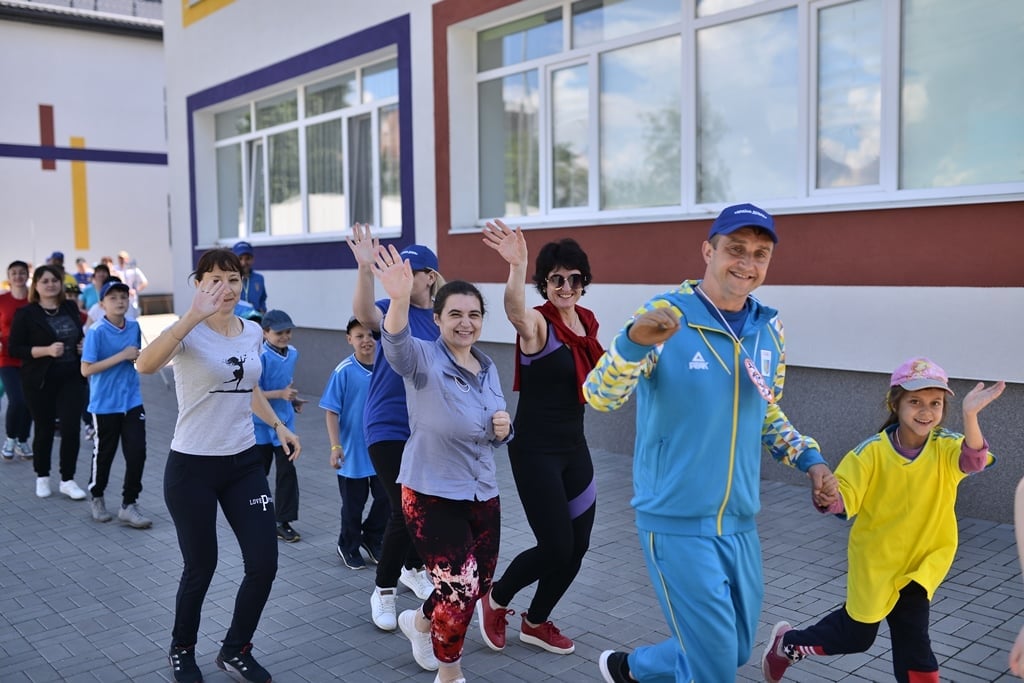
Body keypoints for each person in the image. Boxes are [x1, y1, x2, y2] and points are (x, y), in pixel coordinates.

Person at [583, 203, 837, 683]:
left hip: (739, 520)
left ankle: (630, 669)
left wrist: (809, 459)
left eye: (760, 254)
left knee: (734, 648)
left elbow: (767, 410)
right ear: (708, 251)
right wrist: (633, 343)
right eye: (735, 249)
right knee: (714, 665)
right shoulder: (665, 316)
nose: (747, 263)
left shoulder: (770, 329)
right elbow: (599, 396)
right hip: (676, 518)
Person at [762, 357, 1004, 683]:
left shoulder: (947, 446)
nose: (926, 411)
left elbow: (974, 460)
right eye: (915, 401)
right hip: (876, 564)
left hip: (922, 565)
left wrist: (970, 415)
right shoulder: (871, 453)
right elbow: (843, 497)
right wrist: (828, 496)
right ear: (895, 403)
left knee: (915, 643)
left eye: (935, 403)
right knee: (857, 637)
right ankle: (788, 644)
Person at [135, 248, 301, 683]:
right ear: (199, 284)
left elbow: (249, 387)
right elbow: (145, 365)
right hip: (192, 467)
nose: (225, 288)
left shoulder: (252, 331)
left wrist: (279, 425)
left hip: (243, 463)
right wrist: (191, 317)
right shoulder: (187, 331)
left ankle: (235, 649)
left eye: (232, 279)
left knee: (264, 564)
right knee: (201, 566)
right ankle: (182, 649)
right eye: (214, 279)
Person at [373, 245, 512, 683]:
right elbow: (395, 343)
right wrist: (398, 299)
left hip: (481, 490)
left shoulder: (488, 367)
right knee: (459, 587)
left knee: (478, 582)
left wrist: (504, 427)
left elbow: (493, 426)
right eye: (455, 314)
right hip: (430, 492)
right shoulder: (423, 358)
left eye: (473, 314)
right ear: (437, 319)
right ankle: (450, 674)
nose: (465, 322)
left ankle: (419, 622)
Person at [478, 221, 604, 655]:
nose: (566, 287)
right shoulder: (538, 325)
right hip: (535, 452)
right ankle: (496, 599)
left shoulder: (587, 325)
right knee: (556, 547)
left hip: (574, 448)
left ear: (584, 283)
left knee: (578, 546)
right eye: (556, 279)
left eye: (574, 279)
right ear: (545, 285)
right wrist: (517, 266)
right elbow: (515, 311)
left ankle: (535, 622)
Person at [346, 224, 441, 630]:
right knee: (405, 508)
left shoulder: (441, 318)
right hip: (387, 423)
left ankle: (413, 568)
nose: (401, 276)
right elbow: (364, 314)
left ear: (430, 277)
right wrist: (365, 268)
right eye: (397, 269)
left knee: (424, 504)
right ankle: (383, 590)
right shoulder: (391, 307)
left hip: (428, 427)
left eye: (409, 271)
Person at [8, 265, 89, 500]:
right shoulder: (26, 313)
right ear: (36, 286)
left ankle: (67, 480)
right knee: (44, 429)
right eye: (45, 281)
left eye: (54, 280)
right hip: (39, 381)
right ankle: (42, 476)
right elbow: (15, 349)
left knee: (71, 429)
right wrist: (46, 350)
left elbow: (79, 335)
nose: (50, 284)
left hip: (71, 378)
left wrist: (83, 345)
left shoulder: (70, 307)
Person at [80, 280, 151, 529]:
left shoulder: (134, 326)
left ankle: (129, 504)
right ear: (102, 304)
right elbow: (86, 369)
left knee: (137, 453)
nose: (120, 301)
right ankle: (97, 496)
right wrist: (122, 356)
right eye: (113, 298)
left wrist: (138, 359)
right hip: (104, 405)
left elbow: (135, 359)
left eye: (123, 297)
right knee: (104, 454)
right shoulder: (96, 331)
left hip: (132, 401)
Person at [319, 315, 388, 570]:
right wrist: (335, 446)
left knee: (387, 499)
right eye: (359, 336)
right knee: (353, 506)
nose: (366, 340)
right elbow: (331, 411)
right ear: (349, 339)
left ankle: (372, 537)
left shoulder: (387, 368)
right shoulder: (344, 371)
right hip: (352, 454)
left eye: (371, 335)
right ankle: (347, 545)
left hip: (381, 449)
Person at [253, 308, 305, 543]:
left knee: (287, 473)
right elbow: (253, 393)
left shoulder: (293, 353)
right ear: (265, 333)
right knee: (258, 474)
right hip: (261, 424)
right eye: (278, 332)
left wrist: (292, 400)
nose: (285, 336)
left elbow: (286, 385)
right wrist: (280, 394)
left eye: (288, 332)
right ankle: (256, 516)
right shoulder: (259, 356)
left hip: (286, 424)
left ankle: (282, 521)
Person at [0, 260, 33, 461]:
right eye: (14, 273)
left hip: (31, 357)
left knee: (29, 401)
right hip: (7, 358)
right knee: (17, 400)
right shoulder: (2, 300)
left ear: (28, 275)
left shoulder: (34, 299)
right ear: (9, 277)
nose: (18, 276)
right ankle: (10, 439)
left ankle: (22, 440)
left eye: (22, 272)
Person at [232, 241, 267, 320]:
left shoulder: (259, 278)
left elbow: (262, 299)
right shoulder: (230, 280)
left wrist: (263, 310)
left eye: (247, 258)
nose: (244, 263)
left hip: (255, 319)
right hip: (236, 320)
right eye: (240, 258)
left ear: (252, 259)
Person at [116, 251, 148, 317]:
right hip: (119, 300)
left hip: (131, 300)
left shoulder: (134, 270)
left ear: (127, 259)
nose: (121, 260)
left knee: (132, 318)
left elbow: (144, 282)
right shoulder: (115, 269)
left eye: (123, 258)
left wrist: (136, 290)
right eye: (120, 258)